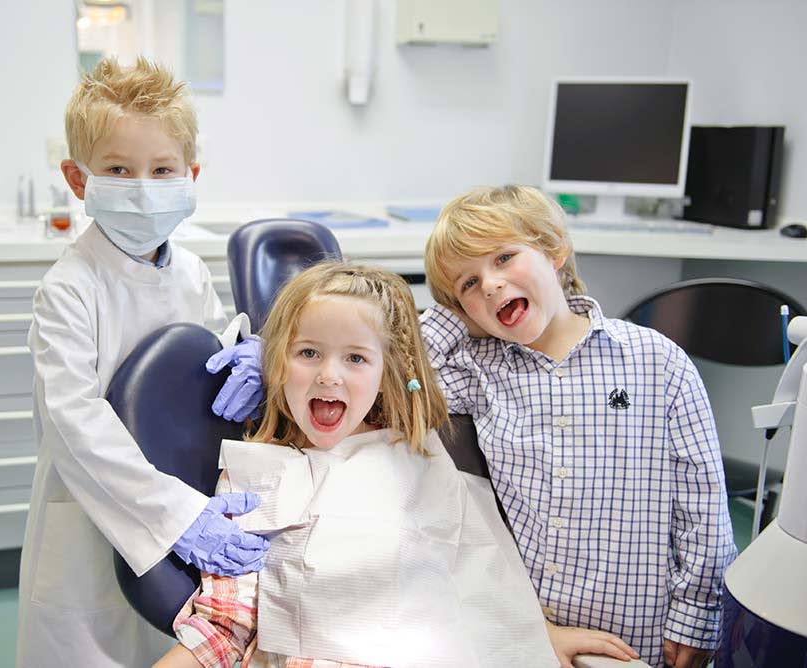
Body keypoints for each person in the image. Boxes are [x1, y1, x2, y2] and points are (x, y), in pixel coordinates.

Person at [156, 262, 564, 668]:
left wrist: (542, 635)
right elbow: (225, 626)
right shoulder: (255, 475)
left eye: (355, 357)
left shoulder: (416, 458)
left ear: (386, 372)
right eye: (308, 352)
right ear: (276, 362)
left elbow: (482, 591)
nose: (329, 375)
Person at [419, 185, 738, 668]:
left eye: (504, 258)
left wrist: (696, 614)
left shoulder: (656, 361)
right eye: (469, 283)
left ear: (555, 250)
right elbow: (399, 375)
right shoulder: (478, 371)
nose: (489, 284)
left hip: (641, 640)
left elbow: (703, 504)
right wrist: (457, 316)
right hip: (528, 634)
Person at [16, 57, 267, 668]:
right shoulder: (70, 288)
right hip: (95, 509)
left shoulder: (190, 271)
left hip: (184, 490)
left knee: (175, 645)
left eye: (161, 170)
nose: (143, 187)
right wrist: (177, 517)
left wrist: (248, 354)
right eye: (118, 170)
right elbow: (75, 427)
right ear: (78, 179)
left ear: (191, 175)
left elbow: (204, 355)